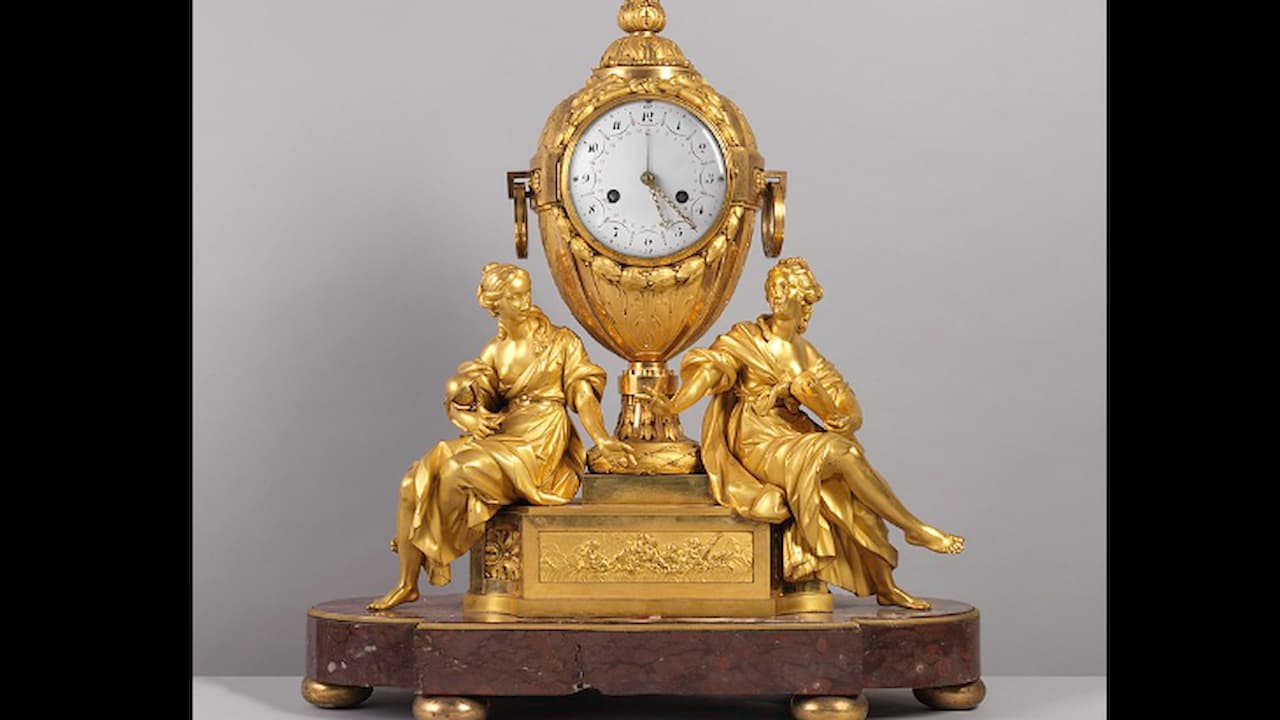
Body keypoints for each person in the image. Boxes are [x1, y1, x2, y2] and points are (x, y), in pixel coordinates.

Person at [643, 258, 963, 610]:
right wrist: (675, 406)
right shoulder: (746, 338)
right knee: (845, 456)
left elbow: (847, 404)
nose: (777, 294)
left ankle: (885, 583)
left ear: (804, 299)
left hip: (796, 436)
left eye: (786, 287)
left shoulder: (808, 354)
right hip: (757, 440)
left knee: (849, 493)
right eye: (774, 287)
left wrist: (842, 417)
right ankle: (913, 527)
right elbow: (711, 371)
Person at [368, 263, 636, 611]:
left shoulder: (561, 341)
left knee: (456, 472)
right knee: (411, 481)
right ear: (495, 304)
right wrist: (469, 413)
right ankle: (407, 583)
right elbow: (476, 398)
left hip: (541, 439)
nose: (523, 301)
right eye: (513, 296)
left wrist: (600, 438)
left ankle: (435, 543)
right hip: (506, 428)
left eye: (525, 292)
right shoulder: (494, 351)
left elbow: (582, 394)